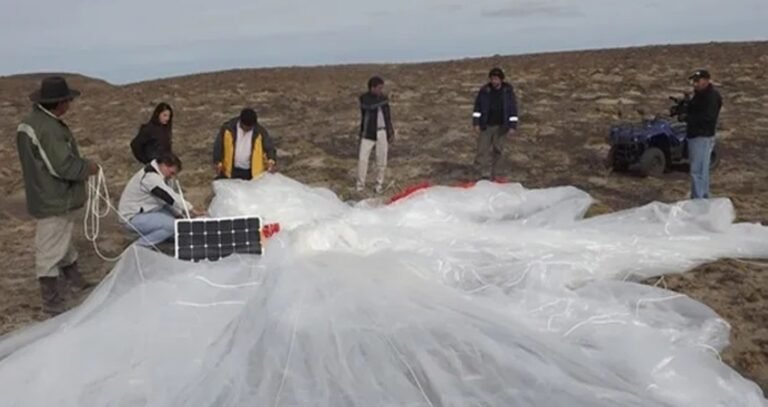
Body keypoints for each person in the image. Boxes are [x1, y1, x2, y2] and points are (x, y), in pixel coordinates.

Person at [16, 76, 99, 315]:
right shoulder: (48, 129)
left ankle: (75, 280)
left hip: (47, 193)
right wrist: (87, 168)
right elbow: (62, 165)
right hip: (54, 197)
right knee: (50, 247)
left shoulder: (35, 122)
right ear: (59, 102)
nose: (70, 105)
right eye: (67, 101)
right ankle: (52, 302)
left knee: (62, 239)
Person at [118, 153, 204, 248]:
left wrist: (179, 214)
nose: (172, 177)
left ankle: (162, 237)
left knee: (178, 226)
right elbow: (169, 197)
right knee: (173, 226)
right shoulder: (150, 178)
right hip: (132, 217)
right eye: (172, 173)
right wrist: (190, 209)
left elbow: (164, 201)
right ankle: (138, 247)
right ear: (164, 165)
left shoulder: (159, 175)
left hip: (148, 210)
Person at [472, 67, 519, 181]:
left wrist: (512, 125)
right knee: (481, 150)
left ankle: (496, 175)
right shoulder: (484, 91)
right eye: (492, 79)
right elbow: (477, 108)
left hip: (501, 126)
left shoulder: (507, 91)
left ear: (501, 79)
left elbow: (512, 108)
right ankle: (478, 175)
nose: (494, 81)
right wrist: (476, 123)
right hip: (486, 126)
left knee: (498, 150)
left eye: (497, 79)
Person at [685, 69, 722, 199]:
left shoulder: (711, 96)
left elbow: (709, 118)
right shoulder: (700, 95)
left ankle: (699, 199)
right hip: (696, 135)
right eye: (693, 81)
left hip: (702, 136)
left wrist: (689, 118)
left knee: (698, 170)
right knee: (701, 169)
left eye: (697, 81)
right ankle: (702, 197)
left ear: (706, 80)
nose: (694, 84)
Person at [212, 108, 277, 180]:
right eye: (245, 127)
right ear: (240, 122)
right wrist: (217, 161)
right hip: (229, 171)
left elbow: (269, 148)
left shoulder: (260, 132)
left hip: (251, 173)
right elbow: (218, 146)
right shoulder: (227, 129)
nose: (247, 129)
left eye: (249, 128)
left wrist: (271, 161)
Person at [357, 76, 395, 193]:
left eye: (382, 88)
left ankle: (379, 185)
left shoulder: (383, 99)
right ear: (372, 88)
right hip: (368, 132)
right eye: (379, 88)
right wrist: (383, 101)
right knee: (363, 159)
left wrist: (390, 131)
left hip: (382, 131)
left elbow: (388, 117)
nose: (380, 90)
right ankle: (360, 186)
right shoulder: (365, 98)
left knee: (382, 160)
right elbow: (369, 106)